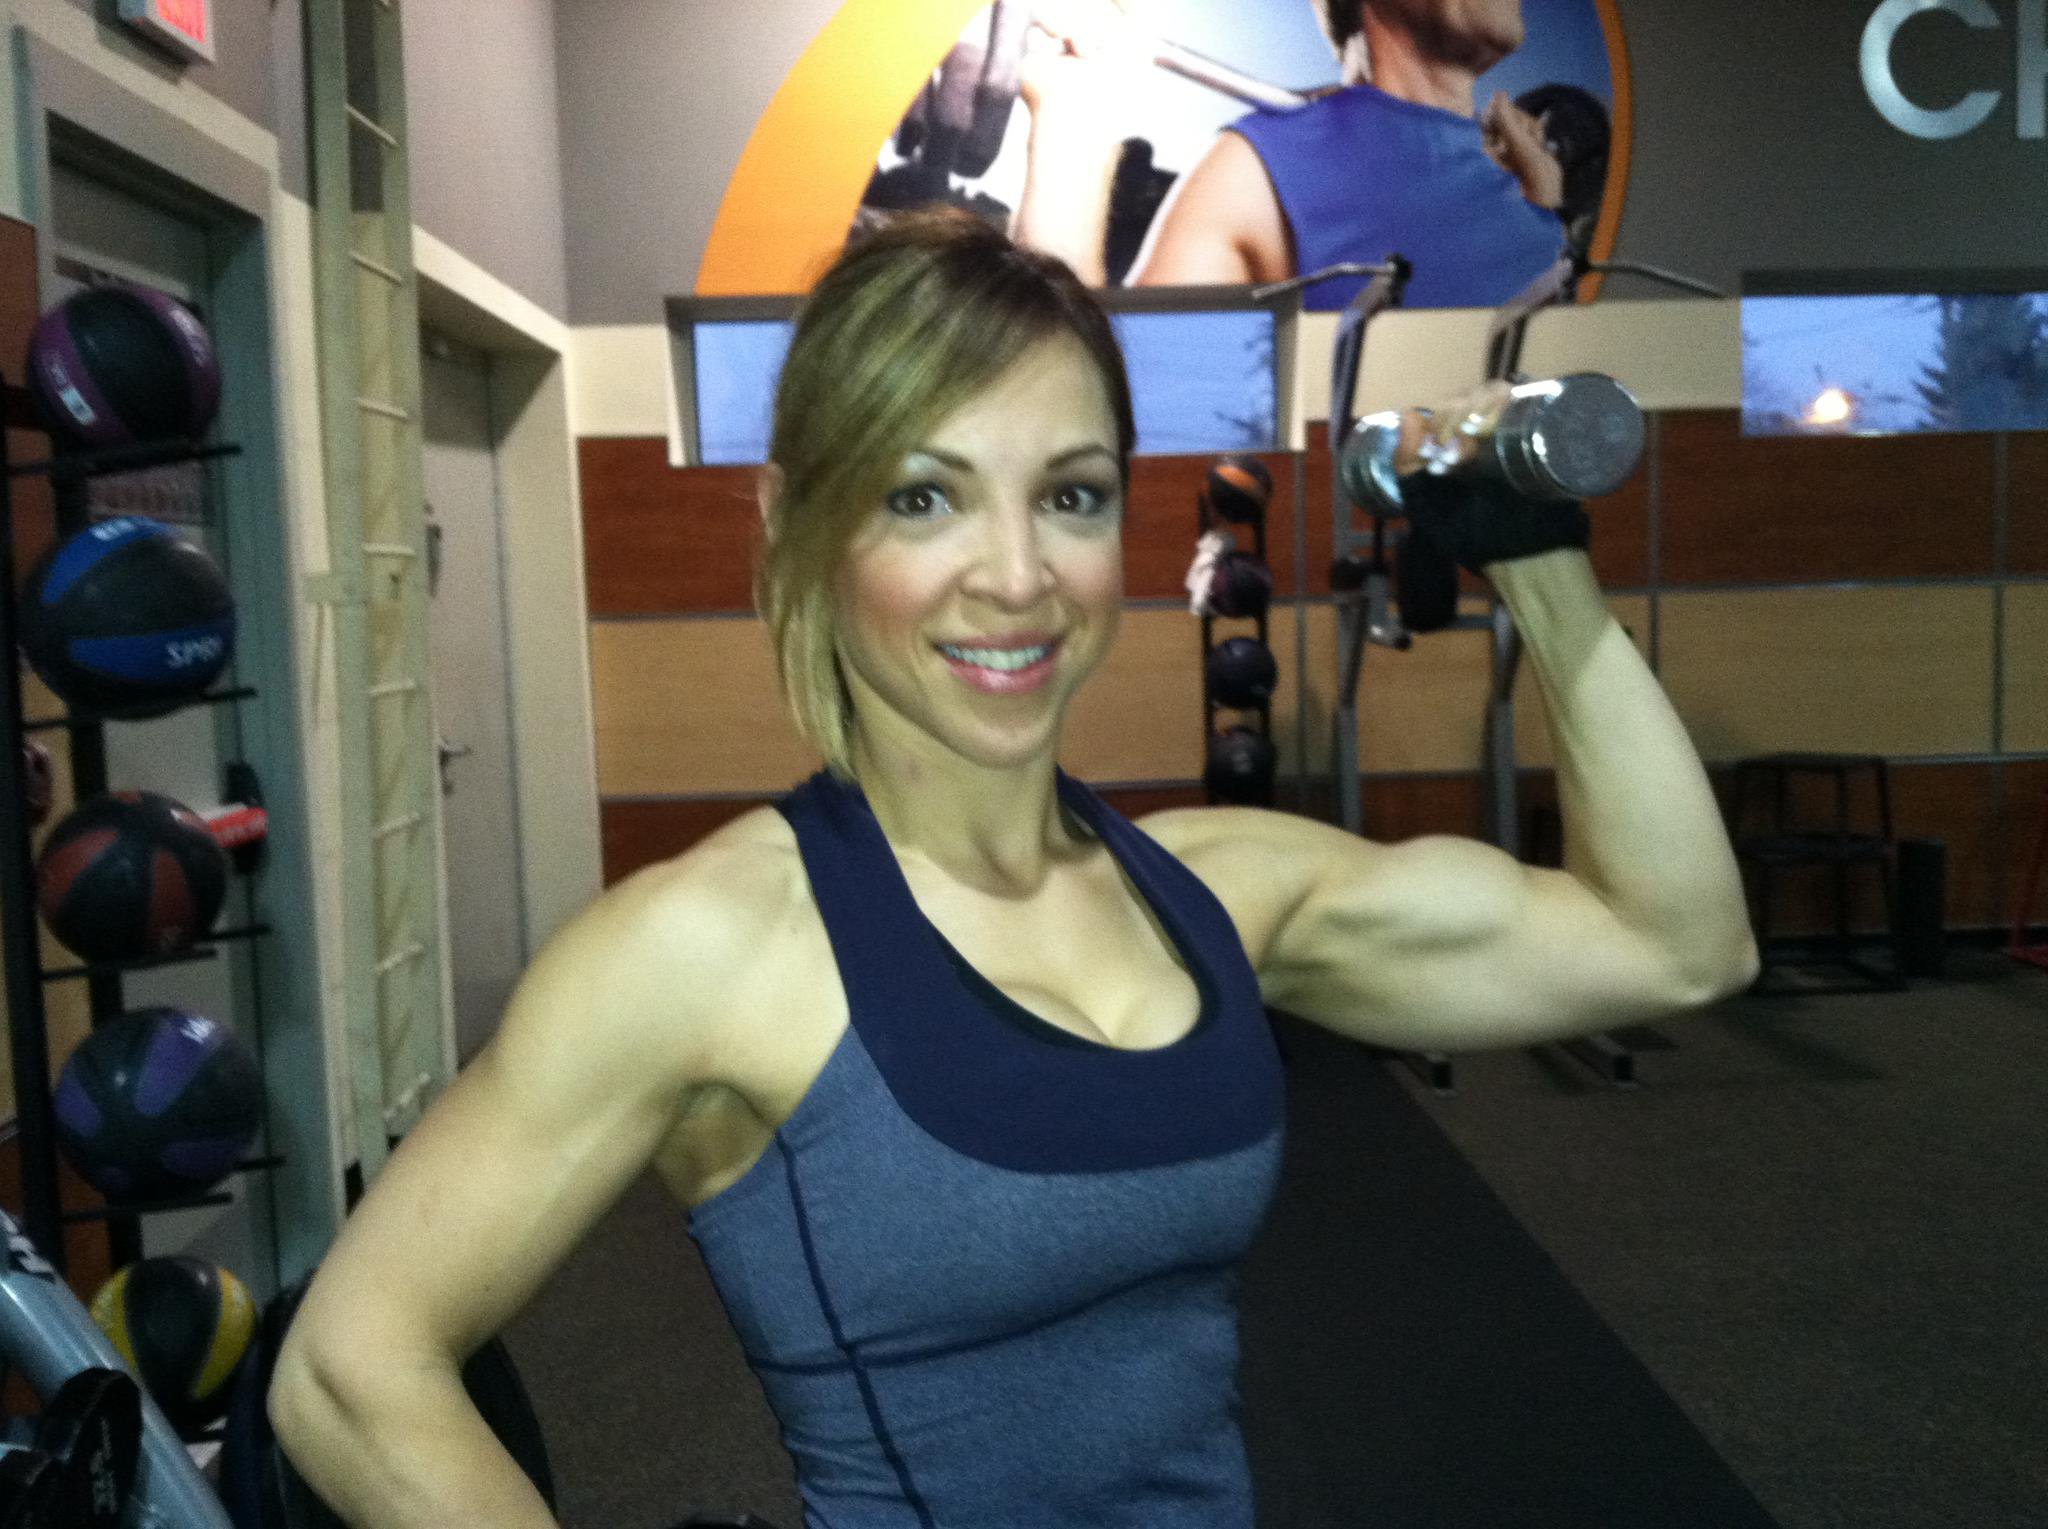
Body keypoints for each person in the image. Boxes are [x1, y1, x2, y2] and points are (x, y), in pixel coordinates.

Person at [266, 210, 1756, 1528]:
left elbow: (1675, 941)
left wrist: (1535, 560)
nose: (1018, 576)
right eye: (924, 496)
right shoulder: (710, 943)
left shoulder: (1214, 892)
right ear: (801, 525)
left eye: (1070, 494)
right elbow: (346, 1368)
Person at [1012, 0, 1571, 308]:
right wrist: (1069, 123)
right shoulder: (1260, 173)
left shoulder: (1524, 185)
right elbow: (1137, 408)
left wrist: (1546, 209)